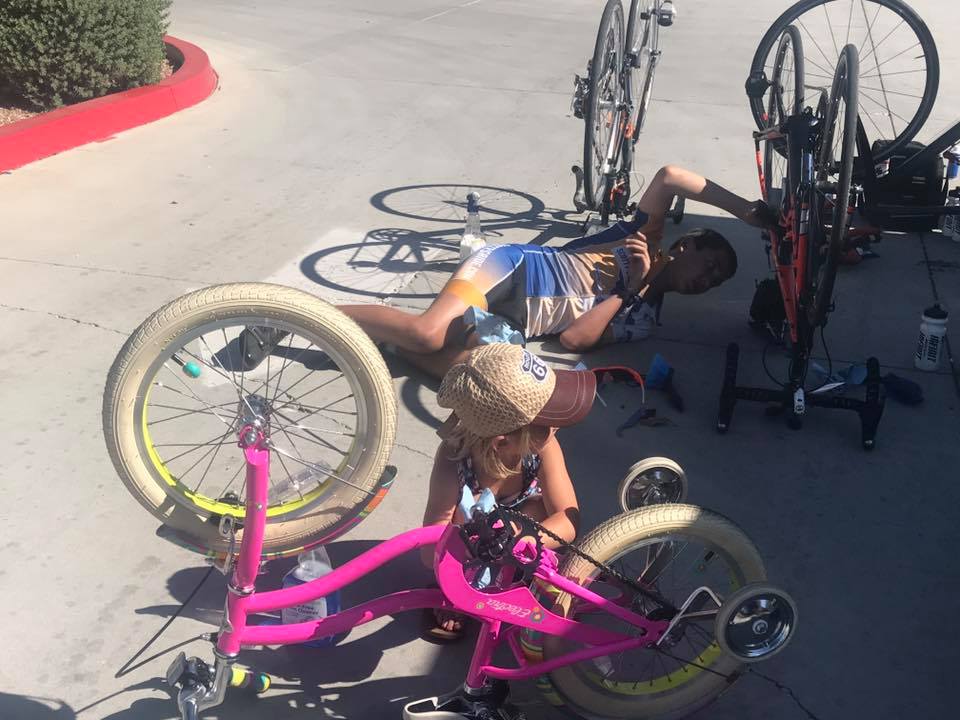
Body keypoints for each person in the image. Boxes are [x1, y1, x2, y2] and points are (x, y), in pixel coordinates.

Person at [236, 165, 772, 376]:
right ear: (689, 243)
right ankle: (289, 312)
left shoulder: (645, 317)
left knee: (470, 380)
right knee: (428, 330)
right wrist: (747, 211)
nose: (709, 279)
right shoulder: (644, 234)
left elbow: (575, 339)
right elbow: (673, 174)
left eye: (717, 281)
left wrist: (632, 290)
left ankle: (384, 337)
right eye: (712, 262)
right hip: (510, 269)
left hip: (516, 325)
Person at [419, 343, 595, 640]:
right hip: (474, 543)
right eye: (548, 422)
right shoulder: (454, 457)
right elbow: (430, 545)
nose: (557, 428)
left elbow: (568, 519)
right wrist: (473, 552)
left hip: (519, 533)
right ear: (502, 443)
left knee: (537, 510)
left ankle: (508, 577)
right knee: (463, 517)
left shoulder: (544, 447)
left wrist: (519, 541)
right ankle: (463, 586)